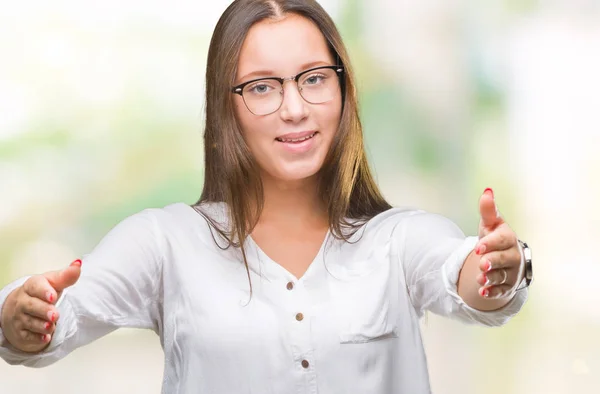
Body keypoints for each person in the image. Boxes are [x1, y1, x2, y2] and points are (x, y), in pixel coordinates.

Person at [0, 0, 533, 392]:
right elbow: (54, 316)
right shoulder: (166, 242)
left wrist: (496, 268)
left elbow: (461, 273)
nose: (295, 108)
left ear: (344, 90)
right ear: (223, 106)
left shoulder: (397, 239)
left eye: (314, 79)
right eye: (262, 87)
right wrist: (24, 316)